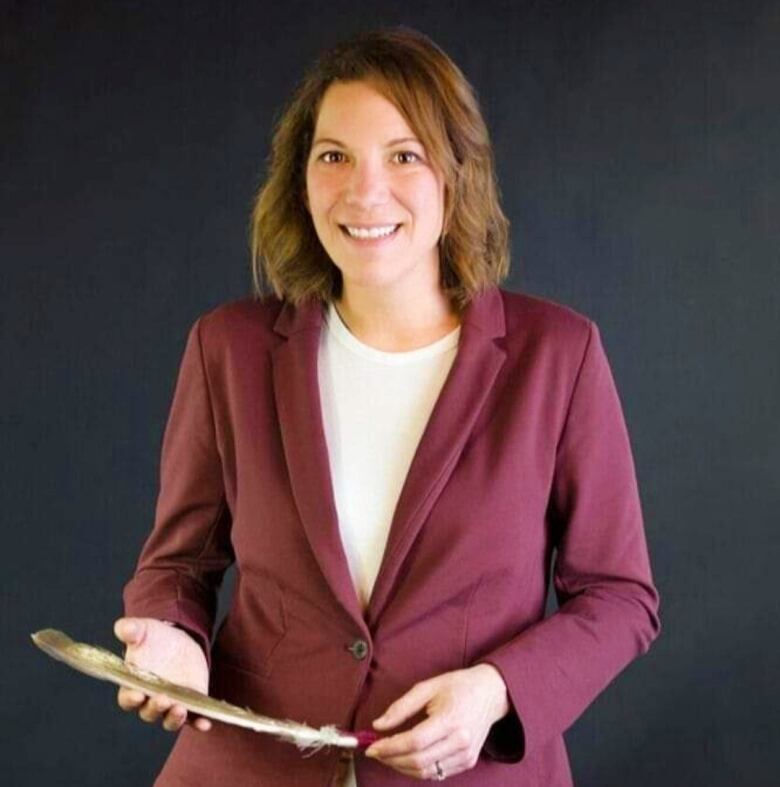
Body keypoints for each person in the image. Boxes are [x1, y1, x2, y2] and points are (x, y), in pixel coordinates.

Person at [114, 26, 661, 787]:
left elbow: (620, 595)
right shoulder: (227, 349)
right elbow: (178, 564)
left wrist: (498, 692)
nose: (364, 192)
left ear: (455, 176)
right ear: (301, 179)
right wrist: (173, 638)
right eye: (334, 156)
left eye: (404, 156)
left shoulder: (558, 355)